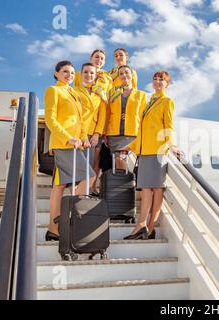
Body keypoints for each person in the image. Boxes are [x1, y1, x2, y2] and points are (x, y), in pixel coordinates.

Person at [124, 70, 180, 240]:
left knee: (156, 189)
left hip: (158, 151)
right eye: (155, 79)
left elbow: (168, 125)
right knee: (146, 189)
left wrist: (171, 145)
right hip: (144, 151)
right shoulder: (149, 102)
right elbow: (143, 130)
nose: (157, 82)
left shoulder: (167, 101)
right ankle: (142, 226)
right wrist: (131, 146)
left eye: (161, 80)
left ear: (167, 84)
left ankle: (148, 226)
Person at [44, 61, 95, 241]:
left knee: (59, 185)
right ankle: (66, 217)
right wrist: (68, 138)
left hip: (75, 145)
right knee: (89, 177)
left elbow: (80, 121)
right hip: (63, 144)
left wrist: (84, 138)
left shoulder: (74, 93)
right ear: (56, 73)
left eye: (72, 73)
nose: (69, 75)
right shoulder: (54, 90)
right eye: (65, 71)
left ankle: (54, 228)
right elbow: (50, 119)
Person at [74, 49, 112, 193]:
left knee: (95, 159)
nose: (99, 60)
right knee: (80, 162)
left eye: (102, 58)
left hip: (96, 127)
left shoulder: (107, 78)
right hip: (78, 128)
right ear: (91, 58)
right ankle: (79, 189)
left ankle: (91, 187)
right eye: (96, 57)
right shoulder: (78, 75)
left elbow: (105, 105)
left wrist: (99, 132)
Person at [105, 65, 146, 170]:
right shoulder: (112, 93)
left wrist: (143, 134)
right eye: (121, 73)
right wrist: (104, 133)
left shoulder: (141, 95)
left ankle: (132, 183)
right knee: (118, 163)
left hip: (132, 135)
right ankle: (126, 185)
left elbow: (143, 117)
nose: (124, 75)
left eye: (126, 72)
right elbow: (107, 114)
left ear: (132, 75)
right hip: (114, 136)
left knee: (129, 163)